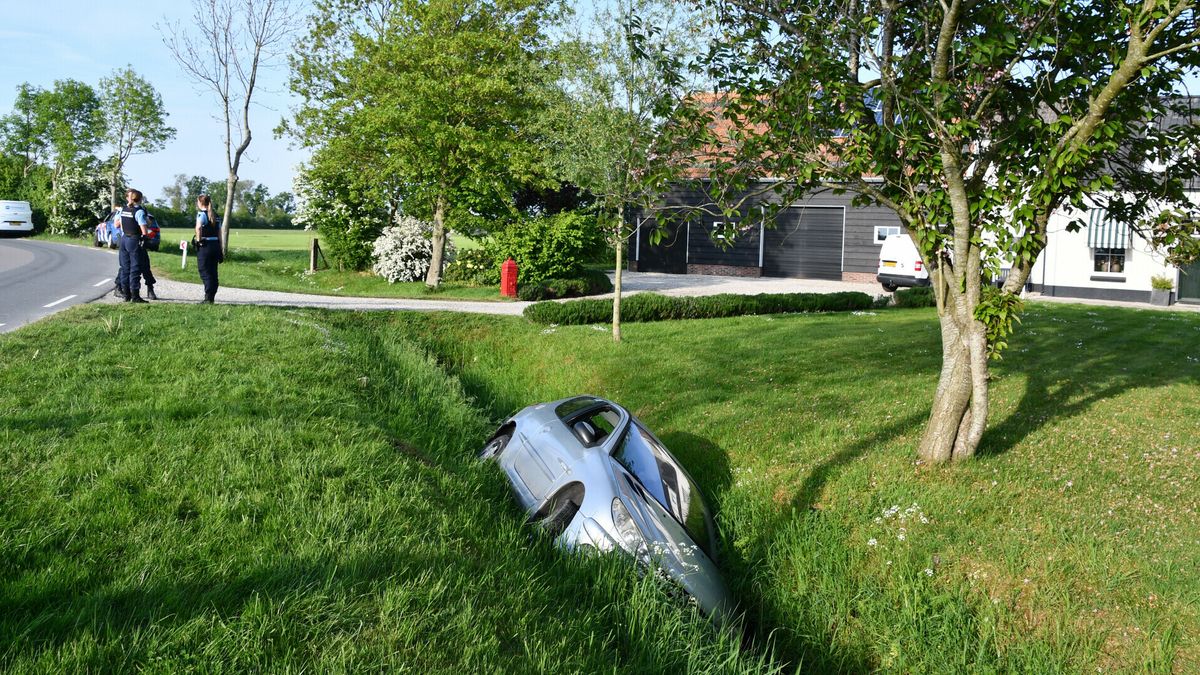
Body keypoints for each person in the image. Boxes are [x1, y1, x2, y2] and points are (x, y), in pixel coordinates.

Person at [117, 189, 151, 303]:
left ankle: (126, 295)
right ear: (140, 199)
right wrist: (145, 238)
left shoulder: (123, 210)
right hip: (134, 239)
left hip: (124, 239)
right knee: (135, 268)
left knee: (125, 268)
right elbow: (144, 230)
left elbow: (119, 225)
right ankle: (135, 296)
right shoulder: (139, 212)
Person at [195, 194, 221, 303]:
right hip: (215, 245)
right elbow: (219, 233)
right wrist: (220, 248)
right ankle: (211, 297)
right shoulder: (216, 215)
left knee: (204, 271)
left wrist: (198, 240)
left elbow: (198, 228)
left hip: (205, 246)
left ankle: (208, 298)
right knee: (213, 272)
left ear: (200, 202)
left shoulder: (201, 214)